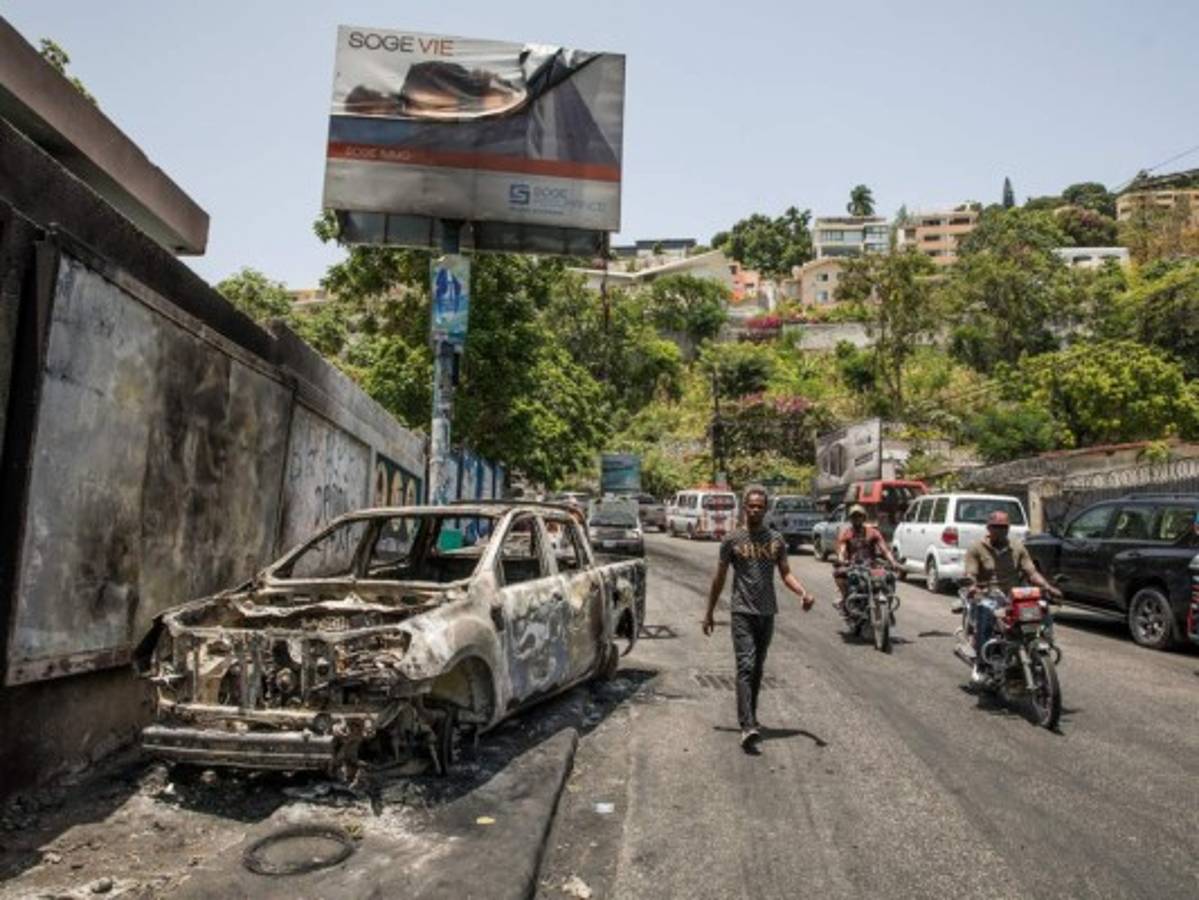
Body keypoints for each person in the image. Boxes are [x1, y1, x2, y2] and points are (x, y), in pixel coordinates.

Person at [702, 486, 815, 753]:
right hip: (741, 611)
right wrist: (709, 612)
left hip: (767, 613)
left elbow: (786, 573)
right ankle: (747, 725)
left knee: (758, 669)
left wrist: (803, 592)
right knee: (746, 665)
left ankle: (751, 719)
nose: (755, 510)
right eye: (751, 506)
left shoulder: (776, 540)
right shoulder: (732, 539)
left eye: (759, 507)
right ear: (745, 507)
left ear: (765, 509)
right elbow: (719, 578)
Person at [960, 510, 1063, 684]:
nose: (1000, 530)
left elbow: (1031, 571)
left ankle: (1042, 644)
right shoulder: (976, 548)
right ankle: (982, 663)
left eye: (1004, 527)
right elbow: (970, 573)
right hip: (986, 595)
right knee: (986, 613)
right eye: (996, 527)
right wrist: (971, 586)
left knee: (1041, 607)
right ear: (989, 527)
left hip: (1013, 596)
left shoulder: (1017, 547)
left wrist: (1047, 586)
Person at [833, 504, 897, 611]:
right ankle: (845, 599)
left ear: (863, 517)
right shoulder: (847, 533)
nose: (857, 518)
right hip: (853, 566)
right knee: (838, 573)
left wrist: (892, 561)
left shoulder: (873, 532)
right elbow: (842, 549)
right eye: (854, 516)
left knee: (890, 577)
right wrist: (841, 559)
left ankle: (888, 609)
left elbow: (884, 549)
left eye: (859, 516)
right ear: (851, 519)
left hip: (871, 566)